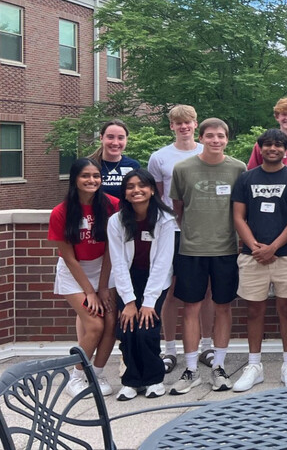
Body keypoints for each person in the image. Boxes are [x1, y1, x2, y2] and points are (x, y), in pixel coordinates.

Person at [169, 118, 246, 394]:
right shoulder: (183, 169)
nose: (216, 140)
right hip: (191, 249)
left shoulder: (238, 168)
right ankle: (190, 370)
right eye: (210, 135)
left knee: (223, 306)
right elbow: (179, 208)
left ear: (227, 139)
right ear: (201, 138)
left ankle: (219, 366)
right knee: (191, 309)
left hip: (226, 249)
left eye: (221, 136)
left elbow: (242, 209)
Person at [232, 129, 287, 391]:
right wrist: (254, 246)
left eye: (278, 145)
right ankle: (254, 365)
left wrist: (274, 247)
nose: (273, 149)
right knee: (253, 310)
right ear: (260, 148)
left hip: (286, 255)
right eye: (268, 145)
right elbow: (238, 217)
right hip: (252, 255)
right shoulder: (246, 178)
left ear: (285, 149)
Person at [147, 105, 211, 376]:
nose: (184, 127)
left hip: (203, 232)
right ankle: (170, 349)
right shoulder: (160, 158)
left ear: (195, 124)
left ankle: (206, 346)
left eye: (188, 122)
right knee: (170, 291)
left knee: (205, 291)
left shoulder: (206, 151)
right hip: (170, 231)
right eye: (178, 123)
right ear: (171, 126)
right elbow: (159, 198)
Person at [49, 159, 119, 398]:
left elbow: (112, 250)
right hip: (74, 272)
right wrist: (90, 291)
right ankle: (77, 376)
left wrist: (103, 288)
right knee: (95, 324)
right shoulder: (61, 211)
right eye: (85, 176)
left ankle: (96, 375)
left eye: (96, 176)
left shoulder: (112, 206)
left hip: (104, 269)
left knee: (111, 322)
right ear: (75, 180)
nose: (92, 180)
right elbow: (68, 258)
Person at [108, 169, 176, 401]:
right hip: (127, 279)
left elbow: (163, 263)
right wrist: (128, 301)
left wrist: (148, 303)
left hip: (155, 280)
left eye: (142, 185)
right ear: (124, 193)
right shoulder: (116, 221)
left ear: (151, 190)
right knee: (127, 329)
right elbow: (118, 263)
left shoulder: (165, 219)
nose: (136, 190)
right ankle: (131, 380)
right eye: (130, 186)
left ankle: (154, 379)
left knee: (147, 329)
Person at [90, 119, 141, 199]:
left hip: (125, 211)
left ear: (126, 140)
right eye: (110, 137)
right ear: (101, 138)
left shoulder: (133, 166)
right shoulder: (89, 165)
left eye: (120, 138)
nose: (115, 143)